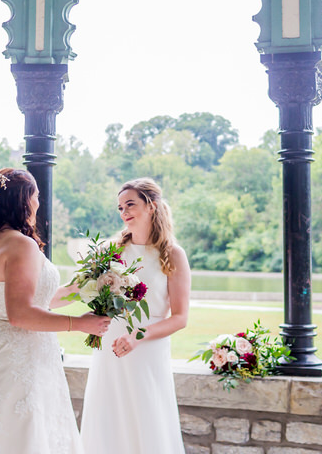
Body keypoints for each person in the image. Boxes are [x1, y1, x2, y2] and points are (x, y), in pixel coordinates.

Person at [0, 168, 110, 454]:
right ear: (25, 200)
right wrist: (80, 324)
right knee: (17, 434)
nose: (39, 202)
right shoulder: (21, 245)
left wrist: (89, 285)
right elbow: (21, 315)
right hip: (17, 357)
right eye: (37, 195)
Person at [80, 177, 191, 454]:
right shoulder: (110, 250)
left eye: (130, 204)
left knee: (147, 418)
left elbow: (180, 317)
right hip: (110, 346)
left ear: (151, 206)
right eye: (120, 207)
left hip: (146, 349)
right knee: (107, 418)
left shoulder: (173, 255)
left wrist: (138, 336)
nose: (124, 212)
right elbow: (86, 291)